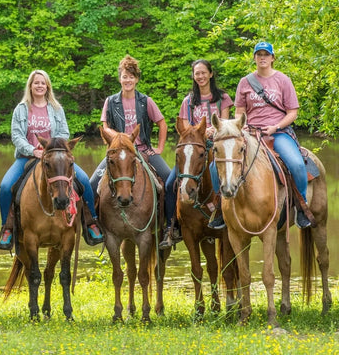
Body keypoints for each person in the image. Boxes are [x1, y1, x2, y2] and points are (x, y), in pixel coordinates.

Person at [212, 41, 312, 229]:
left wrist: (275, 126)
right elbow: (240, 111)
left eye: (266, 54)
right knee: (215, 164)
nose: (263, 58)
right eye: (259, 55)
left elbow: (292, 112)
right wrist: (244, 127)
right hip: (250, 132)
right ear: (255, 58)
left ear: (273, 58)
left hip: (278, 133)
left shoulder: (283, 80)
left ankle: (301, 207)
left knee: (297, 164)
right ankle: (220, 208)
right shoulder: (245, 82)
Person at [0, 70, 98, 250]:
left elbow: (64, 132)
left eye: (43, 83)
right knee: (5, 186)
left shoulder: (56, 109)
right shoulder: (21, 109)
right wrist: (33, 150)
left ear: (47, 86)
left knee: (83, 181)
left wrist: (51, 149)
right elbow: (16, 136)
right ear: (30, 85)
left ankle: (91, 223)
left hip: (55, 158)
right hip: (27, 157)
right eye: (36, 83)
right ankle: (7, 227)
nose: (39, 86)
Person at [89, 55, 171, 245]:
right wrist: (118, 138)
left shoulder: (145, 101)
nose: (128, 80)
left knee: (168, 180)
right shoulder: (110, 101)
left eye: (131, 76)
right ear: (120, 78)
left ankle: (170, 226)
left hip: (142, 150)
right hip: (117, 152)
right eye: (124, 76)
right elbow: (105, 125)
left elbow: (162, 123)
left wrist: (159, 148)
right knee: (92, 183)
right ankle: (93, 225)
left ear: (137, 79)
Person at [161, 59, 232, 245]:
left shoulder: (223, 98)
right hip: (194, 149)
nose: (200, 76)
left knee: (225, 176)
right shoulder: (188, 101)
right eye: (196, 73)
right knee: (170, 184)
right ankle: (172, 226)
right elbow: (184, 127)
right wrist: (197, 131)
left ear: (210, 74)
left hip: (217, 147)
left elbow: (225, 124)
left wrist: (213, 130)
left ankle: (226, 216)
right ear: (193, 76)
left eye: (203, 72)